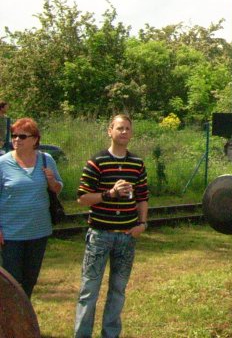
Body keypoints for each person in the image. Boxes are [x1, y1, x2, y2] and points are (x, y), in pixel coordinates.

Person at [74, 114, 149, 338]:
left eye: (127, 128)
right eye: (119, 128)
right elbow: (82, 198)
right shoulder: (97, 161)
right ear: (110, 131)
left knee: (118, 291)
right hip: (100, 235)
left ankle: (110, 334)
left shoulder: (137, 164)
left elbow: (143, 197)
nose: (123, 132)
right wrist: (111, 193)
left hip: (126, 236)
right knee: (89, 291)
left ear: (131, 133)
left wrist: (142, 224)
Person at [0, 118, 64, 297]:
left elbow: (58, 188)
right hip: (11, 234)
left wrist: (52, 181)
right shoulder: (3, 163)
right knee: (12, 282)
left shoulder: (46, 159)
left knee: (30, 280)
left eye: (22, 136)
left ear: (35, 140)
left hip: (38, 231)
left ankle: (23, 320)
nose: (16, 140)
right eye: (14, 136)